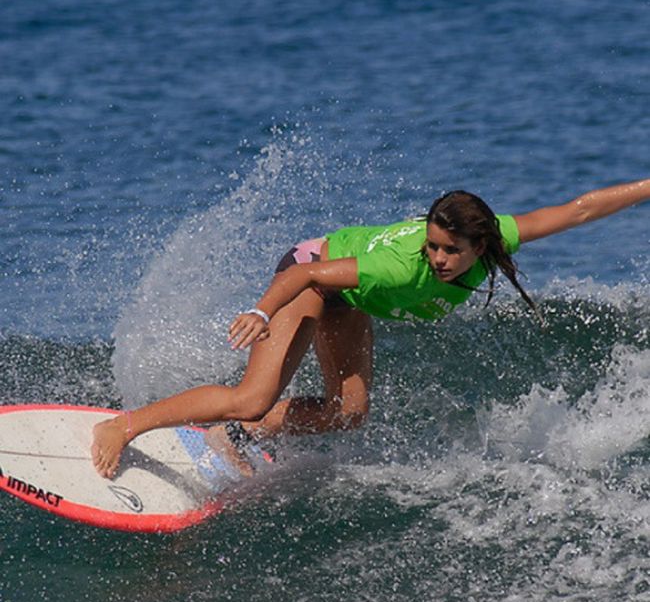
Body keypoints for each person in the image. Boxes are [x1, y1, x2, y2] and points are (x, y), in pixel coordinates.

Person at [92, 178, 650, 479]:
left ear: (480, 245)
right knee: (252, 395)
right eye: (432, 245)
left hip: (348, 297)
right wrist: (263, 311)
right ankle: (126, 425)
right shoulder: (399, 265)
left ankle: (232, 435)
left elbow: (579, 209)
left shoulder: (495, 235)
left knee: (349, 414)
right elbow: (308, 272)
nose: (437, 258)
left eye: (449, 250)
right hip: (309, 278)